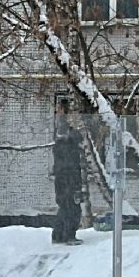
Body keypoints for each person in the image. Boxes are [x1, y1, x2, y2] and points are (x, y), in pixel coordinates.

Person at [50, 99, 84, 246]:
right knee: (72, 206)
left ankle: (59, 235)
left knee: (65, 205)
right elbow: (77, 139)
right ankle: (68, 235)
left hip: (62, 174)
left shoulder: (59, 130)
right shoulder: (66, 131)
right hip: (68, 174)